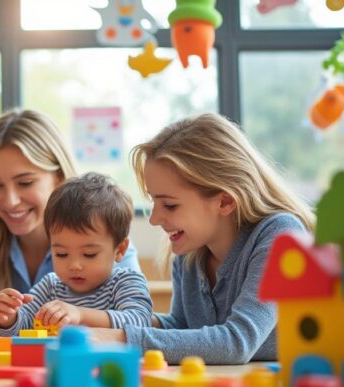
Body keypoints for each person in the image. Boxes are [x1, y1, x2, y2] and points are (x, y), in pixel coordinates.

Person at [91, 113, 315, 364]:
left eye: (170, 205)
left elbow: (236, 343)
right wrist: (90, 320)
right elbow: (181, 327)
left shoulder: (281, 237)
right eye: (154, 201)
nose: (154, 219)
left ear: (225, 201)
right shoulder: (190, 251)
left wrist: (119, 338)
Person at [0, 109, 142, 321]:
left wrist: (81, 315)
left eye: (25, 183)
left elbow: (135, 327)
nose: (10, 200)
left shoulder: (106, 245)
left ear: (59, 177)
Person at [0, 172, 152, 336]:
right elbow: (22, 328)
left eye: (89, 254)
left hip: (109, 362)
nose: (74, 265)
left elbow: (140, 322)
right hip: (58, 362)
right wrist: (8, 318)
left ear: (120, 249)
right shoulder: (50, 287)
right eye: (61, 254)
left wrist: (80, 314)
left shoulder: (125, 282)